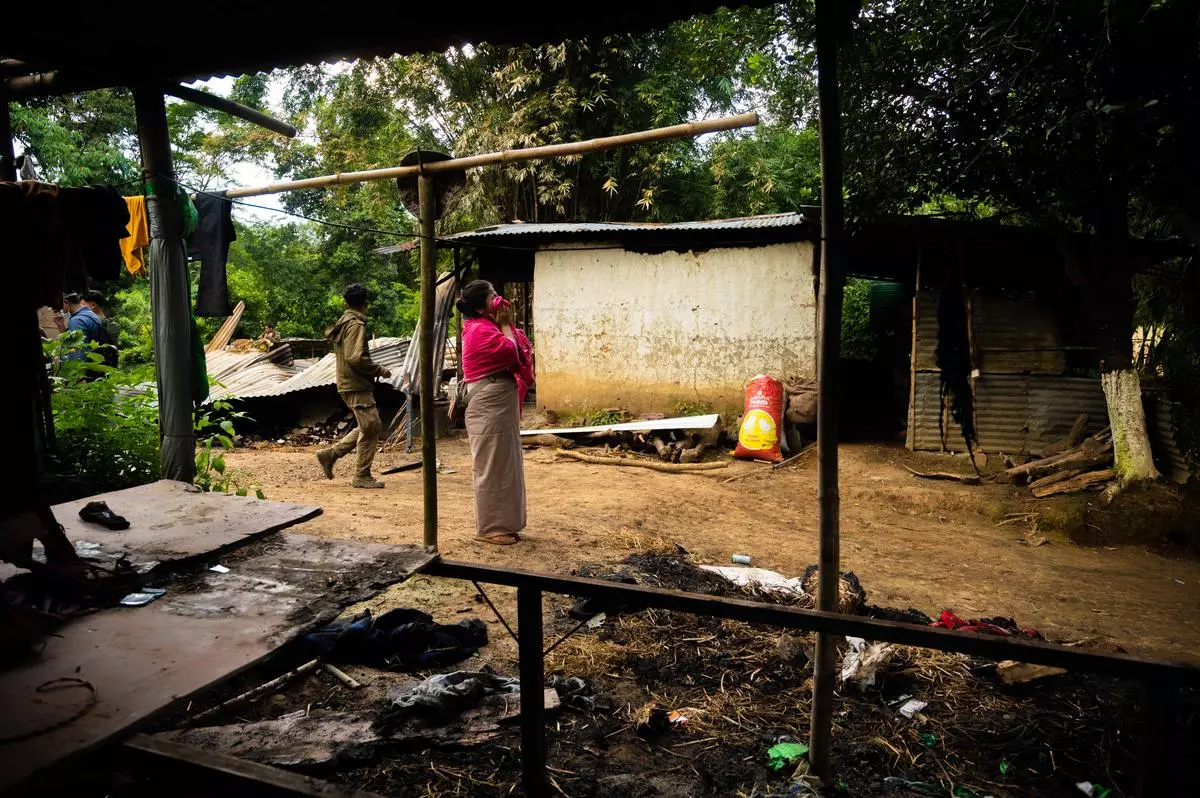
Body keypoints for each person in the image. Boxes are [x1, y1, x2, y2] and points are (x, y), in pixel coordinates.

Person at [458, 280, 531, 545]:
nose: (499, 300)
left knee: (506, 463)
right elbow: (511, 351)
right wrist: (503, 324)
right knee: (491, 465)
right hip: (488, 404)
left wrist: (502, 325)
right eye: (493, 297)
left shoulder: (484, 327)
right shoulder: (479, 330)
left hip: (497, 404)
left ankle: (507, 523)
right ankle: (491, 528)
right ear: (480, 307)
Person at [316, 284, 393, 488]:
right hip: (356, 383)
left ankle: (331, 455)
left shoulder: (344, 322)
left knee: (368, 425)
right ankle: (362, 476)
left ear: (345, 303)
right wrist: (379, 370)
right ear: (365, 304)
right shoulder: (356, 324)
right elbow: (355, 357)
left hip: (349, 382)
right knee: (372, 427)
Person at [60, 292, 104, 365]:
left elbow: (77, 355)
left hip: (79, 371)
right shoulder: (90, 315)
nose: (57, 308)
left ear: (65, 302)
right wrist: (60, 325)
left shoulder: (77, 321)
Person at [83, 289, 120, 368]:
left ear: (93, 305)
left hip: (95, 370)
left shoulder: (93, 324)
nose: (80, 309)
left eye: (83, 305)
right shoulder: (113, 325)